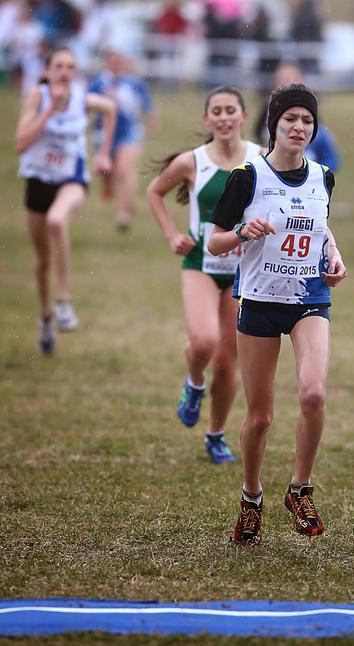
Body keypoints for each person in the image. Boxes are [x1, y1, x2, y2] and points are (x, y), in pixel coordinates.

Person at [208, 83, 347, 544]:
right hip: (261, 303)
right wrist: (243, 232)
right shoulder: (247, 178)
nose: (300, 127)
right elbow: (215, 240)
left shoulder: (322, 176)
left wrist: (334, 253)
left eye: (307, 120)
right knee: (261, 417)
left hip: (310, 299)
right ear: (275, 125)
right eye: (291, 119)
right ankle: (251, 498)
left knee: (313, 394)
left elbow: (319, 220)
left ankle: (300, 488)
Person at [146, 86, 260, 464]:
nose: (224, 117)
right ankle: (194, 381)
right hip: (200, 264)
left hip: (243, 271)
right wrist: (171, 234)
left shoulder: (261, 159)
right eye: (217, 111)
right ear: (207, 119)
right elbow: (154, 192)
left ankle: (215, 435)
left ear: (243, 117)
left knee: (228, 362)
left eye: (231, 110)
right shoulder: (191, 162)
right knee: (203, 342)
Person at [15, 47, 116, 354]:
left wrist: (102, 153)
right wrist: (49, 111)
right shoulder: (37, 97)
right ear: (47, 71)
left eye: (71, 67)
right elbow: (20, 143)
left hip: (72, 180)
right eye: (59, 66)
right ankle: (45, 315)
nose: (65, 72)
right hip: (38, 182)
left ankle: (64, 302)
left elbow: (110, 109)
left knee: (57, 220)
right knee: (42, 259)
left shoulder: (82, 99)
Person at [88, 50, 157, 230]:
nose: (117, 65)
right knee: (105, 171)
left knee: (124, 170)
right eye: (113, 61)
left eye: (120, 61)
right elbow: (86, 105)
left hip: (130, 132)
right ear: (107, 63)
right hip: (103, 134)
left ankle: (124, 213)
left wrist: (151, 123)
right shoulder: (99, 83)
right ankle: (109, 186)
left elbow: (147, 105)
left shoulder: (134, 84)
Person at [254, 63, 341, 173]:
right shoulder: (263, 121)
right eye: (290, 119)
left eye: (307, 120)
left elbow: (332, 161)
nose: (290, 83)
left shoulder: (320, 133)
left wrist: (314, 173)